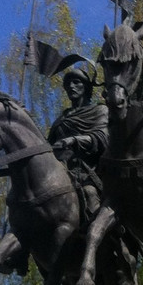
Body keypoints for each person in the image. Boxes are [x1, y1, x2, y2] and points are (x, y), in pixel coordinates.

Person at [47, 67, 108, 222]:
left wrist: (74, 140)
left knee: (89, 193)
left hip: (89, 172)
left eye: (76, 82)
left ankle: (108, 235)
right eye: (68, 84)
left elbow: (103, 137)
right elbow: (47, 148)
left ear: (86, 86)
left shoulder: (99, 110)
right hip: (60, 173)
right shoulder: (61, 120)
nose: (71, 87)